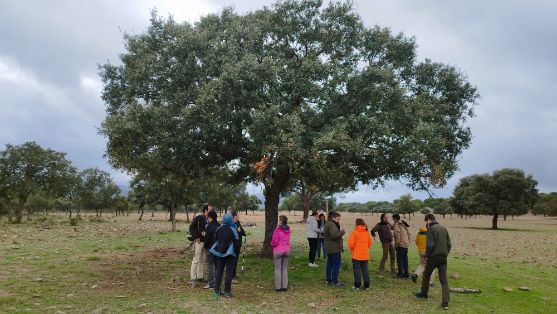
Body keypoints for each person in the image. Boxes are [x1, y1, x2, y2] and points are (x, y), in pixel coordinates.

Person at [415, 214, 452, 310]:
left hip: (433, 257)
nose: (426, 224)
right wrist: (445, 254)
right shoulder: (444, 228)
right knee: (444, 280)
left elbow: (430, 245)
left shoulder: (431, 229)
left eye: (426, 221)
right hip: (443, 257)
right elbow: (449, 244)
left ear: (429, 220)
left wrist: (427, 256)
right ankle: (445, 303)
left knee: (426, 275)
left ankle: (423, 295)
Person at [210, 213, 240, 298]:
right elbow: (237, 243)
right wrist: (237, 253)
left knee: (219, 272)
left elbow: (215, 239)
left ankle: (216, 291)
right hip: (230, 254)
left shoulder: (219, 228)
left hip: (220, 254)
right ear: (231, 219)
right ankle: (227, 292)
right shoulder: (233, 229)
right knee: (229, 273)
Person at [348, 218, 372, 290]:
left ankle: (357, 285)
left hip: (356, 255)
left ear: (356, 223)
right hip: (365, 255)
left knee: (357, 270)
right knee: (365, 270)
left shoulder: (354, 232)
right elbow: (370, 243)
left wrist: (352, 249)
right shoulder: (367, 232)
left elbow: (351, 244)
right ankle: (366, 285)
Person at [189, 204, 209, 285]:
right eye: (210, 210)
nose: (211, 211)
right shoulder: (199, 218)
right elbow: (191, 227)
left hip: (206, 242)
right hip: (199, 242)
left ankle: (200, 276)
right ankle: (193, 278)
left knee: (202, 260)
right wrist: (196, 237)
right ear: (206, 210)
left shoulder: (209, 219)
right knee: (196, 259)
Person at [324, 211, 345, 287]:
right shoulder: (332, 225)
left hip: (329, 248)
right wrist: (342, 232)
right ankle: (335, 282)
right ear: (333, 218)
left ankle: (328, 280)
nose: (339, 220)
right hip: (334, 248)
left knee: (329, 264)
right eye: (338, 219)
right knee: (336, 265)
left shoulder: (328, 223)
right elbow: (334, 236)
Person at [271, 215, 291, 292]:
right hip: (287, 250)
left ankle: (278, 287)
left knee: (278, 269)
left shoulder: (277, 230)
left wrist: (273, 245)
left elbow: (274, 241)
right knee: (285, 269)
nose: (278, 221)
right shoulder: (289, 229)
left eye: (279, 220)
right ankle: (285, 286)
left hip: (278, 250)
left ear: (281, 221)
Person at [203, 210, 220, 289]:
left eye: (208, 217)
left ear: (210, 217)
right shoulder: (220, 226)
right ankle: (217, 283)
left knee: (209, 266)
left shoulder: (209, 226)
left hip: (209, 249)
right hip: (217, 249)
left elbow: (207, 239)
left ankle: (211, 283)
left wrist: (205, 247)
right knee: (217, 266)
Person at [393, 213, 411, 279]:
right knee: (405, 260)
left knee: (399, 260)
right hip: (406, 244)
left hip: (401, 245)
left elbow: (397, 235)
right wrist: (408, 241)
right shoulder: (403, 224)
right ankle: (406, 273)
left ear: (394, 218)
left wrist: (397, 244)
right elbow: (408, 233)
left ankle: (400, 274)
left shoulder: (397, 225)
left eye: (393, 218)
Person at [231, 210, 246, 282]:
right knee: (232, 260)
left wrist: (240, 230)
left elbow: (243, 232)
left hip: (238, 244)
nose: (239, 216)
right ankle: (232, 275)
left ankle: (234, 273)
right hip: (233, 245)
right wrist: (238, 230)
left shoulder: (238, 222)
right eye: (238, 215)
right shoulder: (231, 224)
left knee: (236, 260)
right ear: (234, 216)